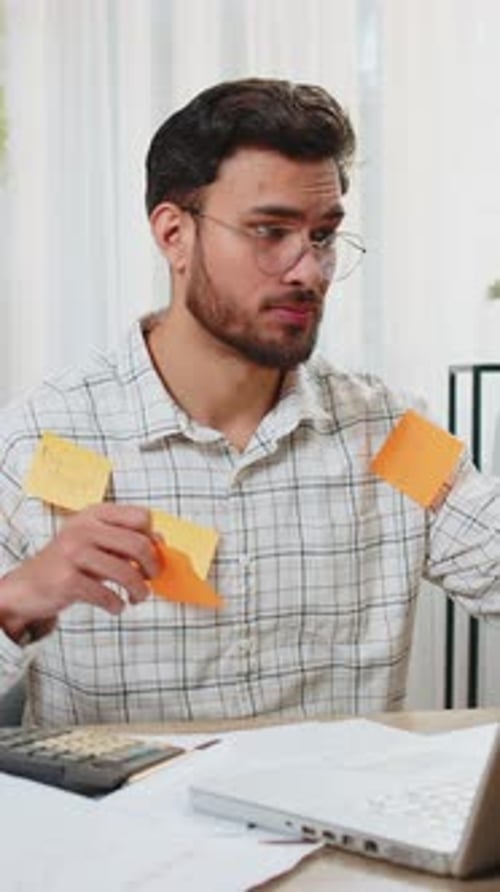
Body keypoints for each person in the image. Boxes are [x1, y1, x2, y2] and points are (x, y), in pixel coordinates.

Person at [0, 78, 499, 726]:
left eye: (323, 236)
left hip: (336, 797)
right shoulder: (36, 439)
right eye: (270, 231)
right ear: (174, 234)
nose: (309, 271)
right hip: (129, 797)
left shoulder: (392, 433)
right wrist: (14, 602)